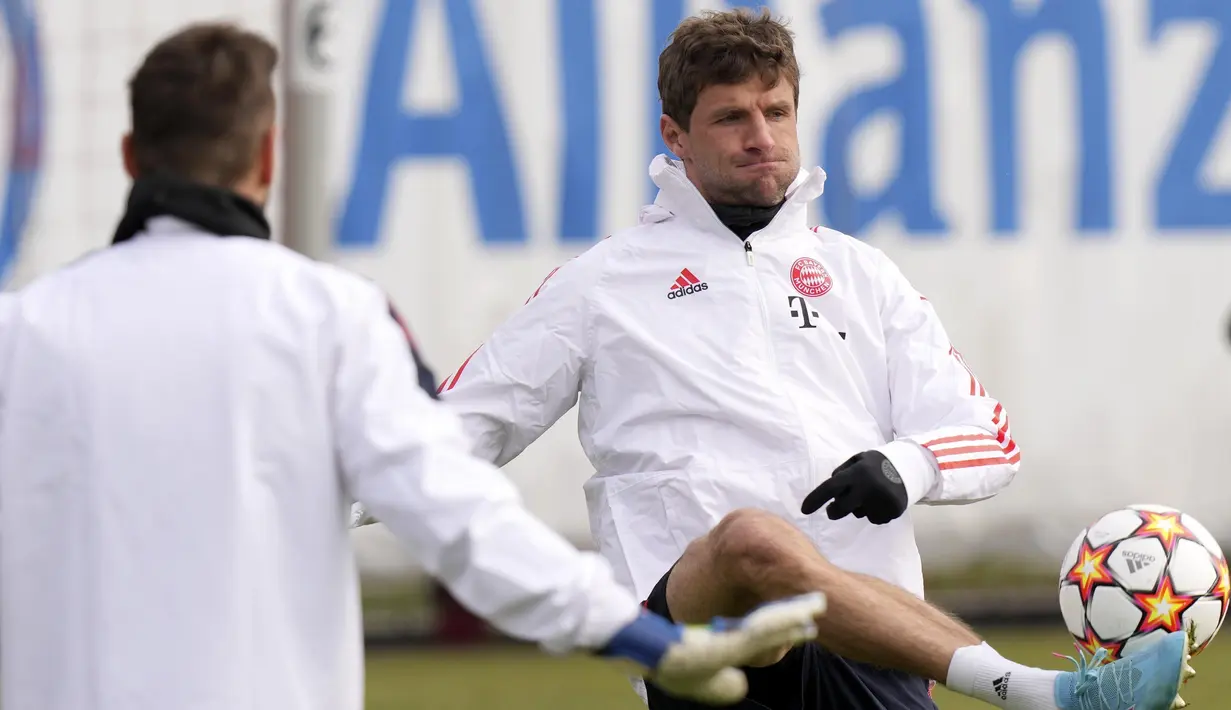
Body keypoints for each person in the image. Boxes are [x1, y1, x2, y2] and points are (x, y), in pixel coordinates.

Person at [352, 7, 1197, 710]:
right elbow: (453, 428)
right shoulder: (598, 286)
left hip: (873, 643)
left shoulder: (863, 275)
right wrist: (294, 489)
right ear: (674, 135)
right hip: (704, 635)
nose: (762, 138)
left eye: (777, 112)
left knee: (775, 551)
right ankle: (1045, 694)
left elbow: (984, 434)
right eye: (731, 117)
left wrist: (904, 466)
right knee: (751, 541)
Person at [0, 22, 831, 710]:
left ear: (128, 156)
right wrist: (648, 637)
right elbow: (462, 522)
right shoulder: (333, 319)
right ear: (266, 158)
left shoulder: (22, 330)